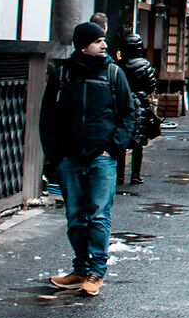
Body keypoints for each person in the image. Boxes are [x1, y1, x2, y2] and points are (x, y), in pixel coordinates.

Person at [41, 21, 135, 297]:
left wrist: (113, 147)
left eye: (104, 41)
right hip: (69, 157)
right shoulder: (62, 76)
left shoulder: (113, 73)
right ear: (83, 45)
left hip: (100, 157)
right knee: (75, 218)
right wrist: (55, 155)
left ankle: (96, 271)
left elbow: (128, 114)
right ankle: (81, 268)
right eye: (98, 41)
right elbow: (48, 118)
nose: (104, 45)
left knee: (98, 215)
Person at [114, 31, 160, 186]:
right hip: (140, 103)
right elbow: (151, 85)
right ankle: (135, 175)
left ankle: (119, 175)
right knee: (138, 142)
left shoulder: (118, 65)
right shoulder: (145, 64)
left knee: (122, 141)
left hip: (122, 103)